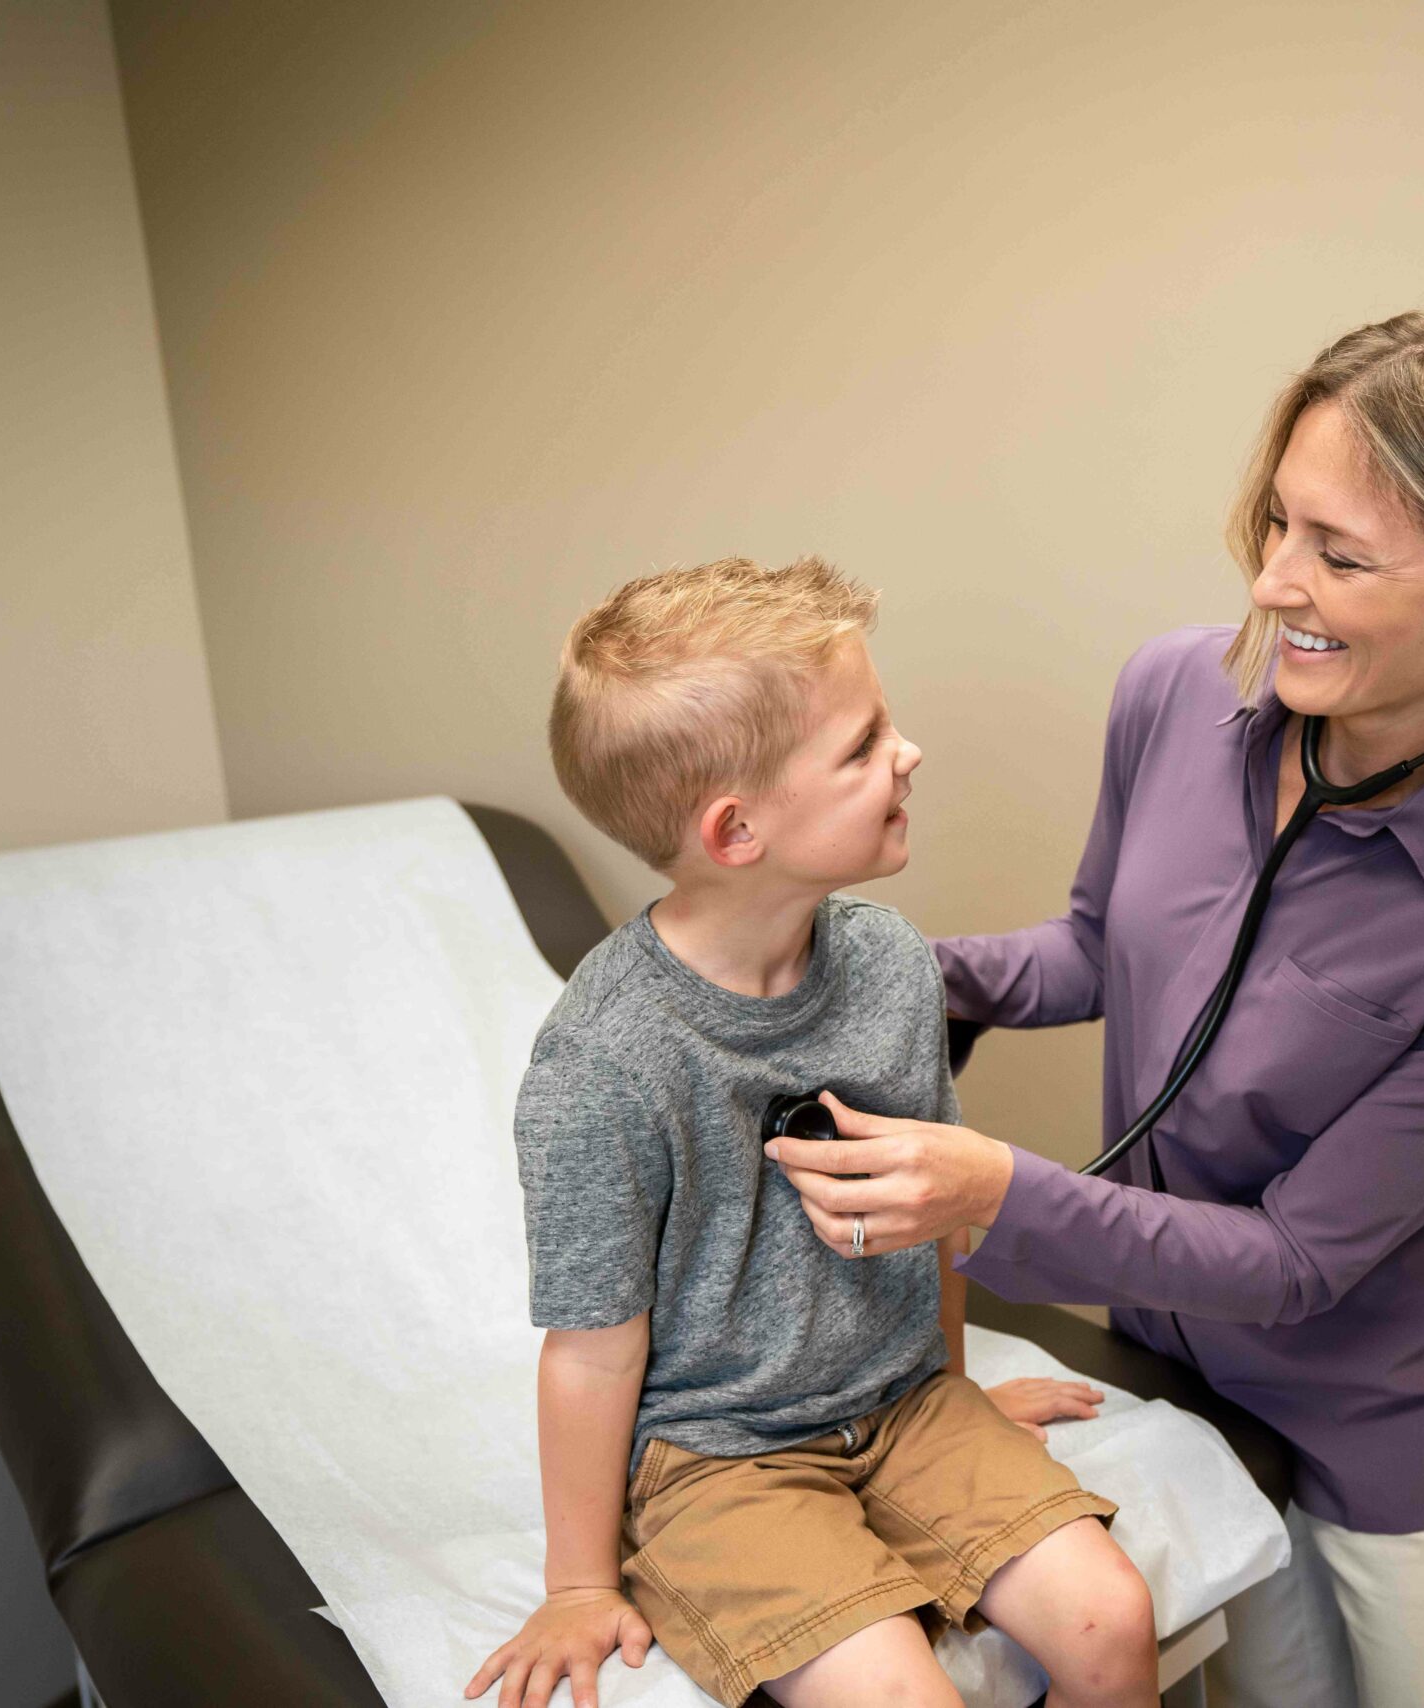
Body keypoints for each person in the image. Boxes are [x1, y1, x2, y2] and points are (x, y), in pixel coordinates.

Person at [763, 295, 1424, 1707]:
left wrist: (988, 1195)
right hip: (1185, 1389)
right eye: (1278, 524)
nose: (1275, 584)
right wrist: (898, 971)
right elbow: (1098, 946)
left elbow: (1295, 1263)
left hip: (1405, 1430)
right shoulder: (1172, 696)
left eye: (1339, 554)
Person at [464, 557, 1154, 1708]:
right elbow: (590, 1346)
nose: (908, 753)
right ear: (737, 830)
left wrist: (952, 1385)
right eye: (862, 743)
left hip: (904, 1405)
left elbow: (925, 1212)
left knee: (1109, 1618)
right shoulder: (604, 1061)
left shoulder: (889, 963)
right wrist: (578, 1580)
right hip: (721, 1459)